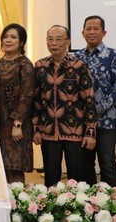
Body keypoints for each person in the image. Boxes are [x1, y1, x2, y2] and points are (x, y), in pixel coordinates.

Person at [32, 25, 97, 187]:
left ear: (68, 41)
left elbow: (89, 100)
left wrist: (90, 132)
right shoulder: (40, 66)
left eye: (58, 39)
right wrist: (36, 129)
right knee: (51, 178)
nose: (54, 43)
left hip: (75, 131)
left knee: (76, 179)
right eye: (50, 39)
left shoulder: (79, 66)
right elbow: (36, 100)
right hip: (48, 132)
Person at [74, 15, 116, 187]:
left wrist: (95, 111)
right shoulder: (76, 57)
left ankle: (111, 207)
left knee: (108, 163)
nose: (92, 32)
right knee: (85, 165)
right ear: (82, 33)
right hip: (82, 122)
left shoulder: (114, 55)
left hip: (107, 121)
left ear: (104, 32)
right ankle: (88, 206)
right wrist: (85, 114)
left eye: (96, 28)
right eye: (88, 28)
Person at [0, 23, 35, 184]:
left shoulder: (25, 64)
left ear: (21, 42)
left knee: (15, 167)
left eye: (13, 37)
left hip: (16, 125)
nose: (8, 40)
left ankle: (17, 205)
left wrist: (17, 124)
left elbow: (27, 96)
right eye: (5, 36)